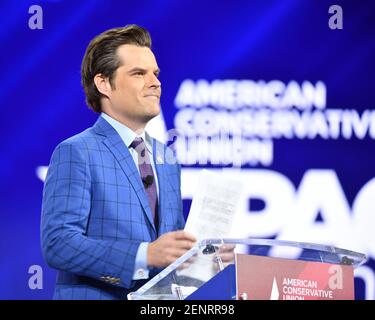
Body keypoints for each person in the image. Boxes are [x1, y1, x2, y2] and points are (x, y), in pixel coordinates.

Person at [41, 24, 233, 300]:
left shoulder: (166, 159)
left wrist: (207, 260)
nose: (155, 82)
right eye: (139, 74)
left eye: (155, 73)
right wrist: (144, 255)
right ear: (103, 83)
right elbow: (58, 244)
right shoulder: (76, 152)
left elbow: (170, 261)